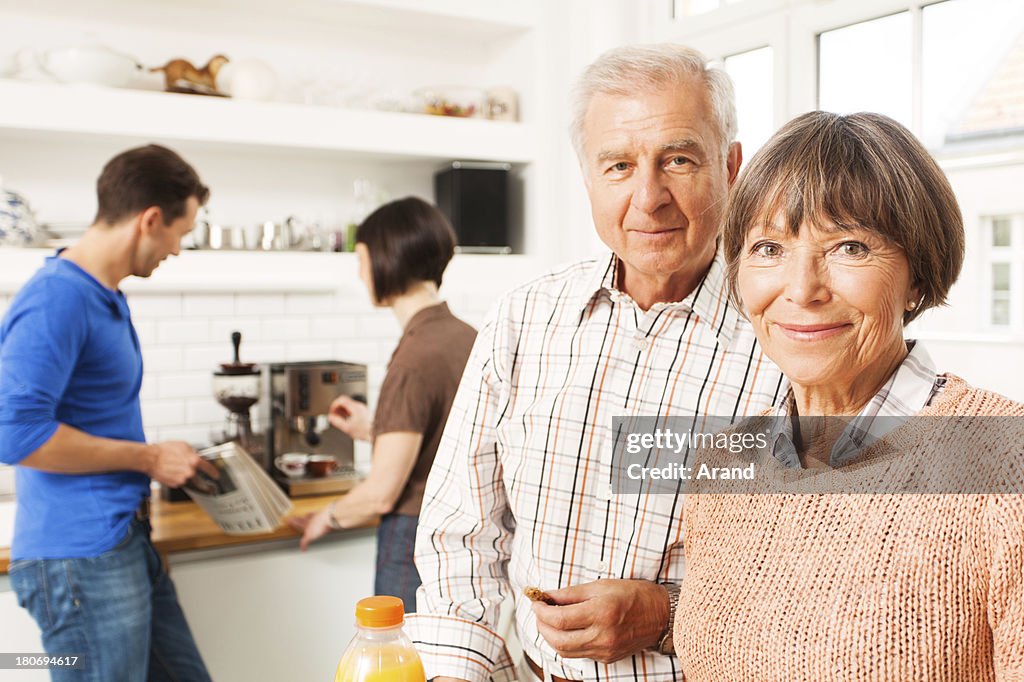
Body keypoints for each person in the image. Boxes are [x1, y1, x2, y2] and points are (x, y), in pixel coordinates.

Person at [406, 44, 785, 682]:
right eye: (618, 165)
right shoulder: (523, 320)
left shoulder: (788, 339)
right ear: (588, 179)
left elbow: (820, 577)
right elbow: (460, 532)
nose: (649, 197)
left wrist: (670, 615)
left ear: (731, 166)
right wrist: (456, 672)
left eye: (678, 159)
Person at [673, 111, 1024, 679]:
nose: (802, 288)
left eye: (850, 247)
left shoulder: (1006, 463)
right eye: (768, 248)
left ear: (916, 275)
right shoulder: (724, 461)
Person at [0, 144, 218, 681]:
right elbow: (13, 432)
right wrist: (148, 458)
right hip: (78, 561)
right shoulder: (58, 298)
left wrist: (155, 458)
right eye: (180, 233)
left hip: (118, 541)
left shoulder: (102, 294)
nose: (177, 250)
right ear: (150, 220)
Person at [289, 196, 476, 612]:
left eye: (361, 259)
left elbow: (380, 495)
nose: (360, 273)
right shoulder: (467, 337)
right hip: (460, 540)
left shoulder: (414, 357)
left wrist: (327, 516)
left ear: (388, 259)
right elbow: (446, 440)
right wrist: (376, 428)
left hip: (412, 541)